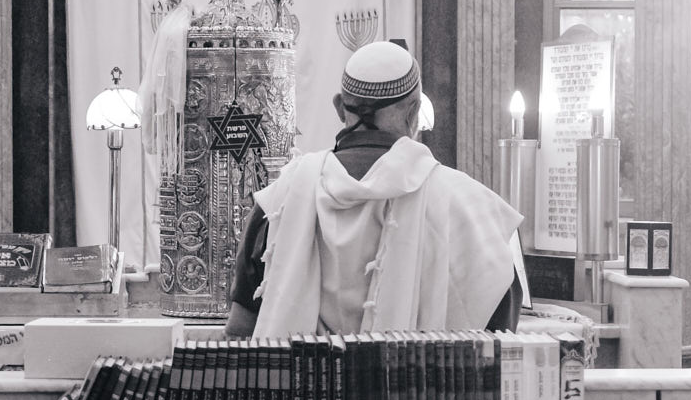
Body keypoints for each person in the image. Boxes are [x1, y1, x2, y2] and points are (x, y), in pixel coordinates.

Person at [225, 40, 527, 338]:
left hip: (300, 372)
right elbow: (500, 333)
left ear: (340, 107)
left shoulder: (280, 200)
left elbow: (241, 330)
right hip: (418, 373)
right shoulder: (467, 205)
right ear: (414, 111)